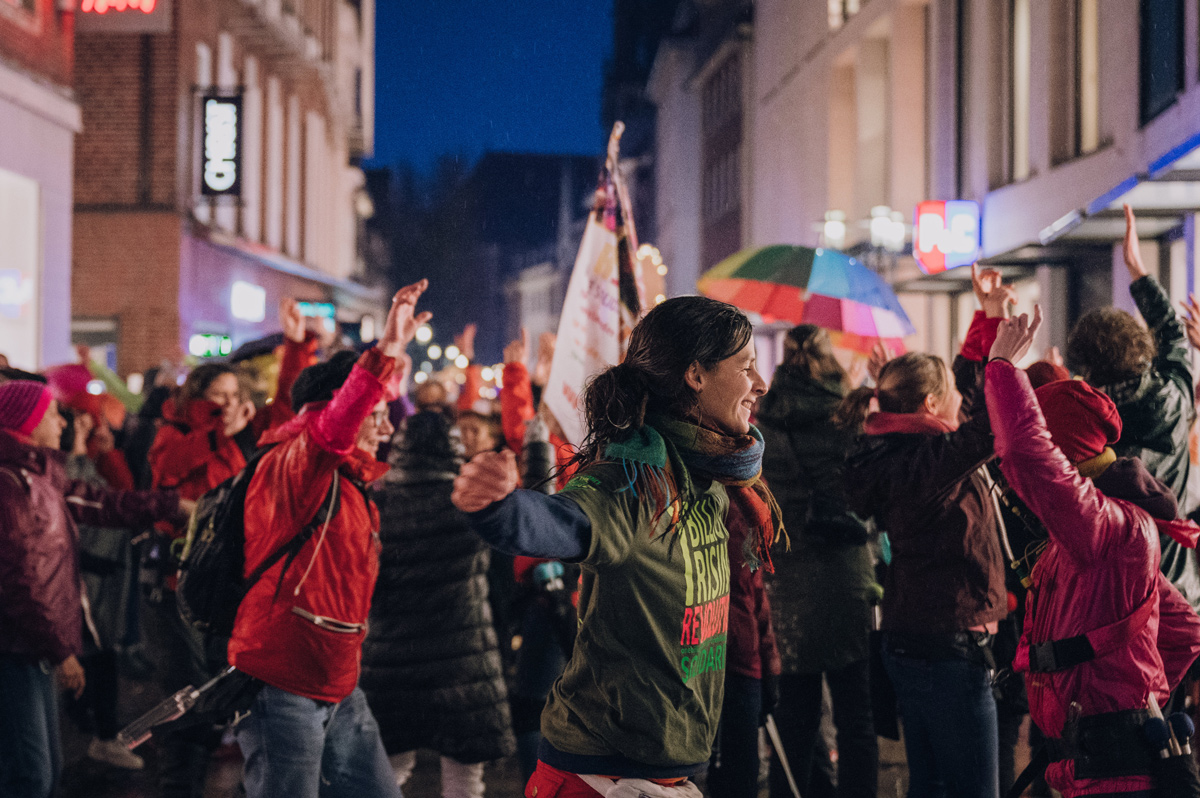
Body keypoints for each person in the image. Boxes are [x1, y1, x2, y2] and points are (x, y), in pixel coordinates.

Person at [453, 296, 783, 796]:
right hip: (599, 778)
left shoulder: (708, 482)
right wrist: (498, 509)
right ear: (696, 375)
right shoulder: (633, 483)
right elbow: (564, 523)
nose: (760, 384)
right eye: (745, 367)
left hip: (662, 775)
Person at [229, 280, 430, 798]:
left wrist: (301, 350)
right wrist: (386, 349)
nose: (387, 429)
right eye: (376, 415)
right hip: (283, 683)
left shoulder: (347, 476)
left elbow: (310, 406)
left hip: (338, 681)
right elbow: (331, 424)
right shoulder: (302, 464)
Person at [986, 309, 1200, 796]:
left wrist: (1001, 366)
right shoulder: (1106, 531)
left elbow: (1023, 453)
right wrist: (1134, 693)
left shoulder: (1108, 528)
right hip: (1097, 761)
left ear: (1063, 462)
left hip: (1111, 772)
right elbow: (1186, 631)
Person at [841, 266, 1014, 798]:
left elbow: (964, 394)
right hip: (948, 647)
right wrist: (1002, 360)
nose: (961, 398)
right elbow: (987, 425)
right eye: (950, 395)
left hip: (915, 638)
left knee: (932, 784)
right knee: (972, 789)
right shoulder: (929, 461)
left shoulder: (900, 450)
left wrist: (987, 318)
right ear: (930, 407)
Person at [0, 379, 190, 798]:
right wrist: (59, 650)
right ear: (27, 423)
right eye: (51, 414)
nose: (60, 422)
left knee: (43, 772)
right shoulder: (11, 486)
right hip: (16, 648)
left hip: (31, 646)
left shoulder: (38, 475)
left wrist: (171, 506)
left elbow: (103, 502)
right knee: (29, 776)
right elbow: (17, 583)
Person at [362, 409, 516, 798]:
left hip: (390, 659)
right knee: (465, 781)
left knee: (387, 774)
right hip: (464, 661)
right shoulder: (469, 500)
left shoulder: (375, 501)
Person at [757, 324, 877, 798]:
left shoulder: (764, 419)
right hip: (846, 572)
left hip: (788, 577)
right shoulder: (847, 416)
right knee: (855, 715)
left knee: (795, 715)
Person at [1066, 204, 1200, 608]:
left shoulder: (1083, 427)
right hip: (1179, 592)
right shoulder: (1175, 397)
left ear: (1085, 367)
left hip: (1119, 600)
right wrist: (1137, 270)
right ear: (1140, 349)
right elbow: (1173, 335)